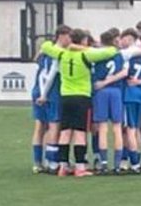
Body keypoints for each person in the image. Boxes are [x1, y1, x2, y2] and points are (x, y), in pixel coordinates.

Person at [40, 28, 117, 176]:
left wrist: (69, 46)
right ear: (83, 41)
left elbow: (45, 46)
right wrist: (85, 47)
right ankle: (80, 166)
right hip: (82, 97)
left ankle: (63, 166)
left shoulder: (61, 53)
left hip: (65, 96)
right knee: (80, 133)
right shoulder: (86, 54)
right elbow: (112, 51)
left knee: (65, 132)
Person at [31, 26, 69, 172]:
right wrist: (44, 94)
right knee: (54, 126)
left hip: (38, 90)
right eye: (68, 37)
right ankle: (51, 162)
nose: (70, 40)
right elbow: (50, 74)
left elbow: (39, 67)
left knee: (41, 126)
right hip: (51, 92)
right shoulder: (58, 54)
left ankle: (38, 162)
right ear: (61, 36)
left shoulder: (46, 50)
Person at [91, 30, 128, 172]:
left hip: (101, 92)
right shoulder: (119, 55)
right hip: (116, 91)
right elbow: (124, 72)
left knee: (103, 128)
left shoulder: (96, 55)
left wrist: (103, 82)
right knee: (117, 128)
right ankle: (117, 165)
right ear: (113, 41)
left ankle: (104, 163)